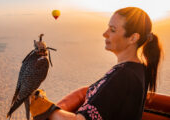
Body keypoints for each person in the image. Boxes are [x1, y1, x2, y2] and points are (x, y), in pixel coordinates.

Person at [30, 7, 162, 120]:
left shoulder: (123, 75)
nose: (105, 34)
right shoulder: (139, 68)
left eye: (113, 29)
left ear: (133, 38)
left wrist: (44, 106)